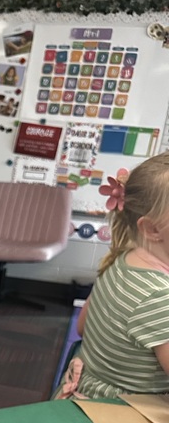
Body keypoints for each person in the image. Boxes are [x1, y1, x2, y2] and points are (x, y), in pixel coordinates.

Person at [56, 155, 169, 399]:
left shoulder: (125, 260)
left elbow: (83, 326)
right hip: (120, 416)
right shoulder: (160, 298)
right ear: (151, 229)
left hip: (82, 392)